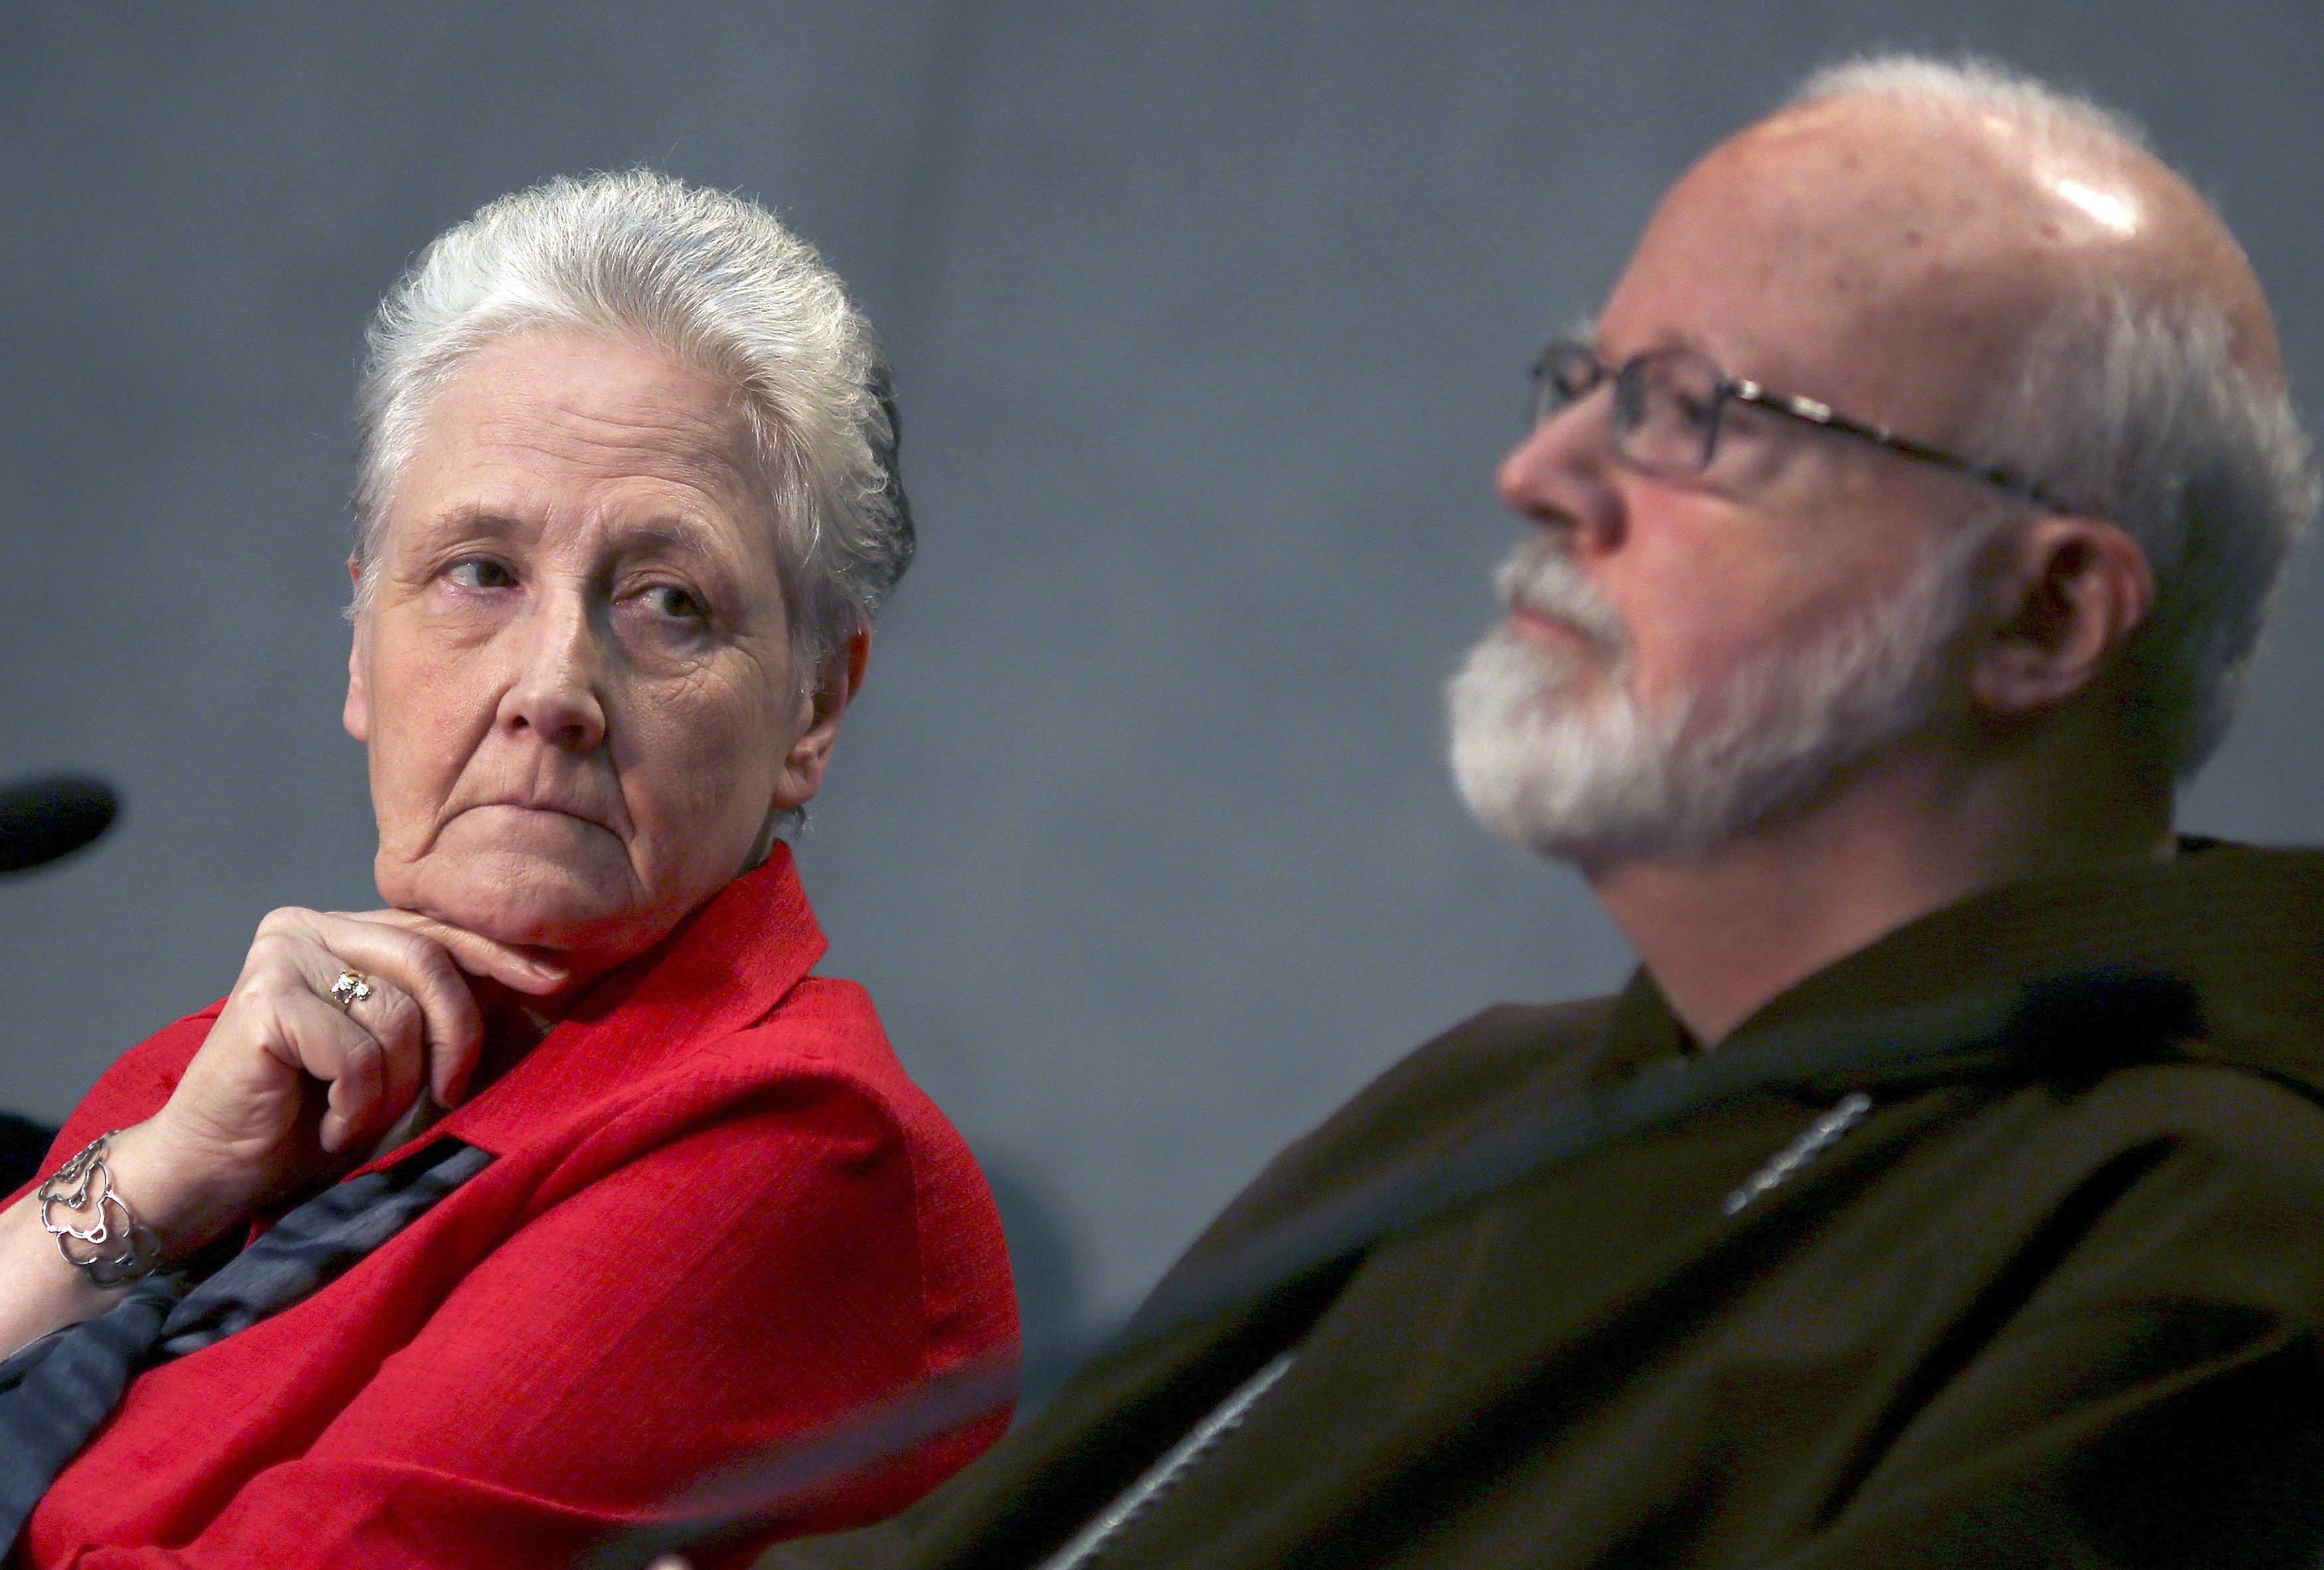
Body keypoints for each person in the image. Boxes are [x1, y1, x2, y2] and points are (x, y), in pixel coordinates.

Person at [760, 54, 2323, 1570]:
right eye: (1583, 383)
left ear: (2041, 620)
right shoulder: (1490, 1097)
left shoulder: (2228, 1240)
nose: (1540, 469)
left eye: (1695, 409)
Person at [0, 170, 1016, 1567]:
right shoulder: (216, 1075)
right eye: (480, 571)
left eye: (670, 603)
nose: (554, 687)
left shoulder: (796, 1149)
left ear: (813, 712)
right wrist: (143, 1192)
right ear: (362, 644)